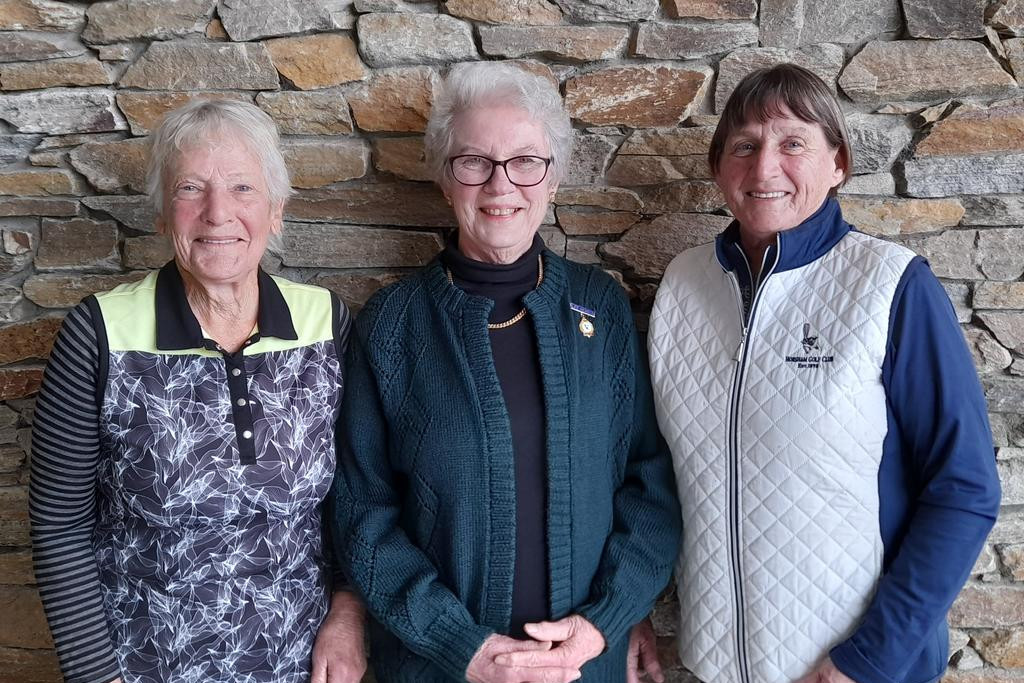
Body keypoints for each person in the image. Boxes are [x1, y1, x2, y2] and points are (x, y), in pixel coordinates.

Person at [645, 63, 1002, 683]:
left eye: (793, 143)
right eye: (745, 145)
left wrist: (867, 660)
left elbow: (964, 489)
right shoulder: (683, 283)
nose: (764, 168)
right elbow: (656, 469)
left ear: (838, 163)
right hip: (714, 664)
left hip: (854, 668)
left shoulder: (891, 284)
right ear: (718, 166)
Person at [329, 61, 681, 683]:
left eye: (525, 161)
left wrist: (608, 620)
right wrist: (459, 644)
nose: (501, 185)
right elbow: (363, 512)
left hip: (585, 666)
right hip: (437, 668)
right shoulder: (391, 325)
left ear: (554, 178)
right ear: (445, 179)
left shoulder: (601, 306)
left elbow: (649, 485)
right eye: (474, 162)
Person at [29, 99, 365, 683]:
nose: (217, 213)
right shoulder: (99, 334)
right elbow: (59, 525)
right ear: (163, 214)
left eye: (242, 188)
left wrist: (349, 611)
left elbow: (361, 494)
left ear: (276, 211)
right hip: (145, 664)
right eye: (191, 188)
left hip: (305, 663)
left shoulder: (326, 323)